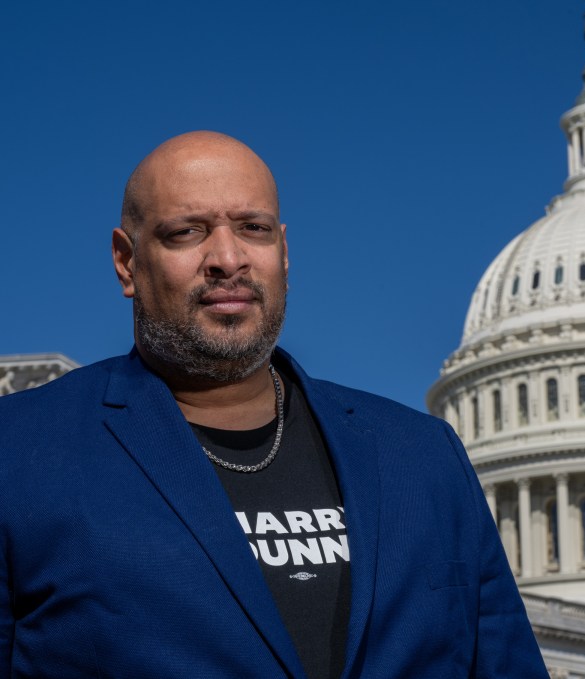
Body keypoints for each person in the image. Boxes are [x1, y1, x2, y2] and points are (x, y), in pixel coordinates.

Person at [0, 132, 549, 678]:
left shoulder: (423, 457)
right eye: (186, 232)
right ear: (126, 262)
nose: (227, 258)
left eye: (252, 228)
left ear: (284, 253)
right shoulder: (21, 455)